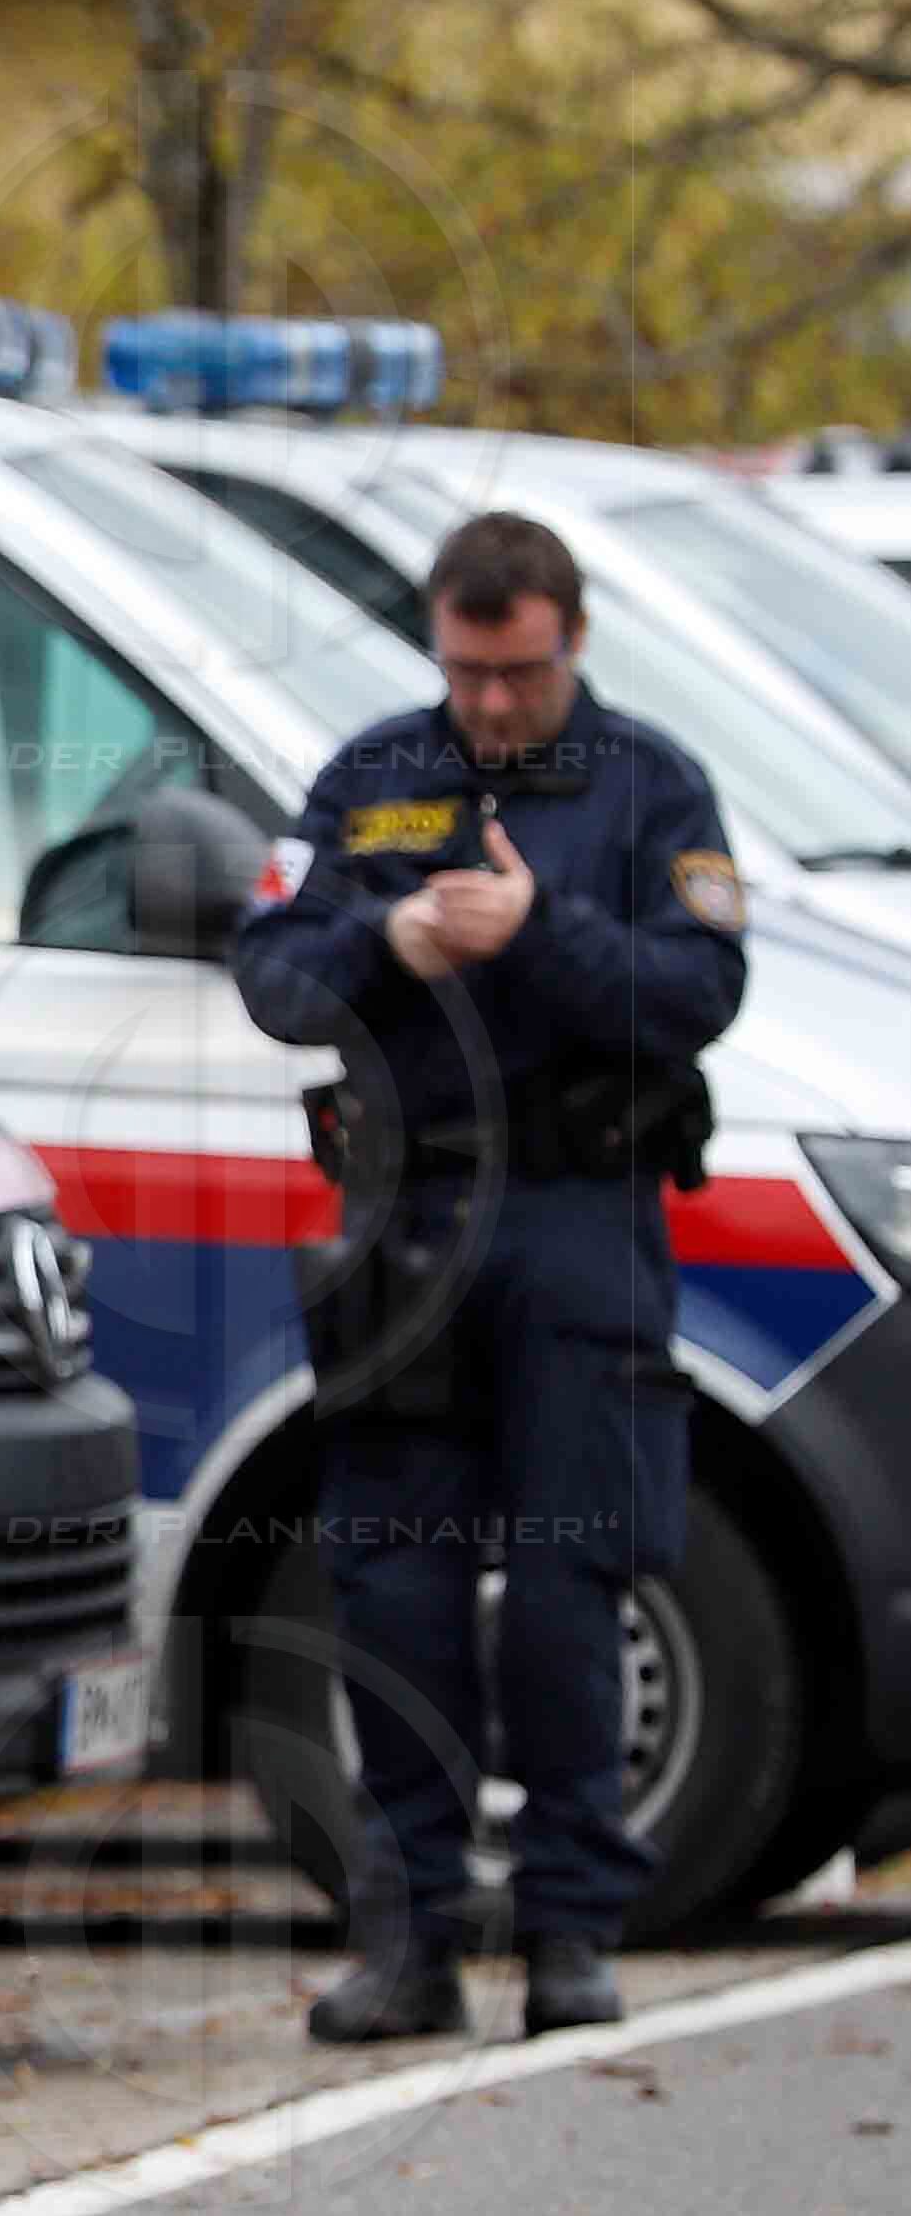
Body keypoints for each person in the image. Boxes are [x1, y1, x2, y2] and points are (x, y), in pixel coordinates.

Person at [234, 510, 743, 2046]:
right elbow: (273, 978)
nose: (491, 705)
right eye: (465, 671)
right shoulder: (376, 780)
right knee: (394, 1589)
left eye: (515, 673)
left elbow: (698, 991)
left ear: (567, 642)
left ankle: (572, 1934)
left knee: (568, 1588)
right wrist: (391, 933)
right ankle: (411, 1937)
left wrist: (537, 934)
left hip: (577, 1218)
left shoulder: (649, 784)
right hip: (408, 1220)